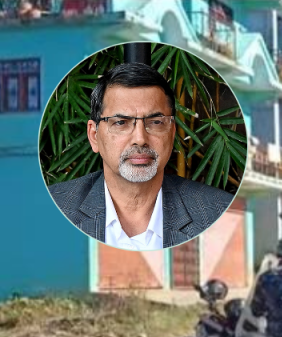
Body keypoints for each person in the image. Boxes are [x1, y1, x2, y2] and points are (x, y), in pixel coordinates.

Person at [47, 63, 234, 250]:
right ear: (94, 136)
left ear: (172, 133)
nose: (140, 139)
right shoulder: (49, 211)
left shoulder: (223, 216)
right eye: (121, 122)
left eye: (155, 122)